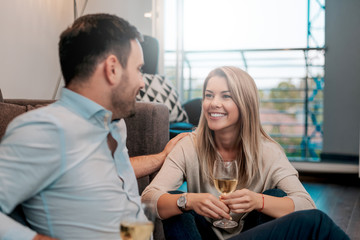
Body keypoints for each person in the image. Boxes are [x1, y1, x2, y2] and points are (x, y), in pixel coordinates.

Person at [0, 13, 186, 240]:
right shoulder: (42, 130)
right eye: (138, 69)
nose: (142, 82)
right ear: (112, 68)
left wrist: (162, 156)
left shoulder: (114, 124)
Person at [141, 66, 350, 240]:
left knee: (275, 197)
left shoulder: (268, 151)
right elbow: (147, 199)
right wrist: (188, 200)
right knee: (178, 203)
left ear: (245, 103)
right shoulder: (189, 144)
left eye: (226, 96)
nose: (214, 103)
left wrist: (259, 201)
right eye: (208, 95)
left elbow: (307, 205)